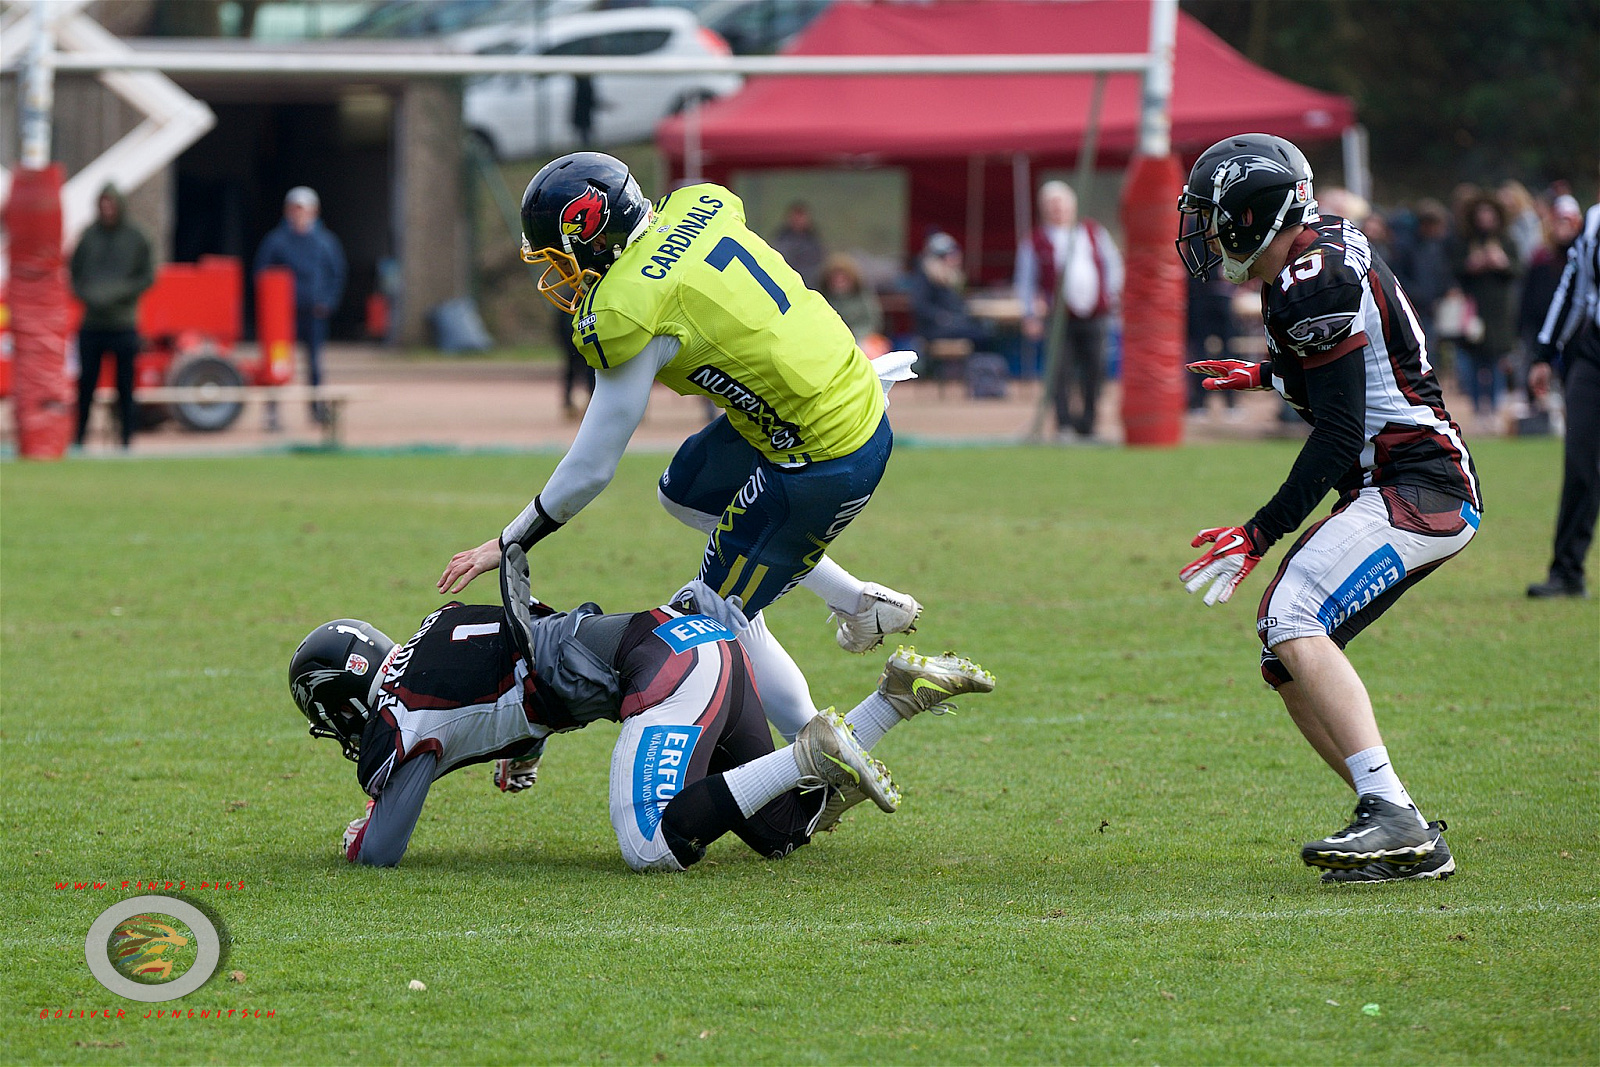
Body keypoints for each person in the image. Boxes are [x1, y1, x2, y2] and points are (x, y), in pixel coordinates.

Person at [438, 152, 923, 746]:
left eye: (559, 256)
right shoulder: (697, 206)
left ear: (589, 235)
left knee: (717, 619)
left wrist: (509, 539)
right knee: (686, 492)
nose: (558, 274)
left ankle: (822, 751)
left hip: (821, 454)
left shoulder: (627, 308)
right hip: (837, 391)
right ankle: (857, 602)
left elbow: (590, 468)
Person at [1175, 133, 1482, 884]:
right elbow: (1353, 378)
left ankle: (1394, 819)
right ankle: (1399, 822)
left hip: (1419, 484)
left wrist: (1258, 531)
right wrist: (1268, 374)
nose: (1209, 233)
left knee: (1291, 616)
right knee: (1284, 656)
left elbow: (1343, 425)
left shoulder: (1313, 278)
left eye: (1217, 217)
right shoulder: (1308, 253)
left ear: (1253, 216)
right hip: (1391, 479)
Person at [290, 549, 994, 870]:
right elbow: (528, 651)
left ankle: (812, 750)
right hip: (701, 643)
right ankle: (895, 698)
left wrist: (358, 833)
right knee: (779, 830)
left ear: (342, 696)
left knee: (653, 844)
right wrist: (522, 754)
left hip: (666, 666)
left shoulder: (395, 717)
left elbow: (384, 848)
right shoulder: (439, 629)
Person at [1526, 197, 1600, 599]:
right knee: (1581, 464)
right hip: (1593, 353)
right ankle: (1567, 572)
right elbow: (1572, 287)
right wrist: (1543, 354)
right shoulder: (1592, 223)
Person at [1014, 180, 1124, 441]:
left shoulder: (1093, 232)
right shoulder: (1036, 240)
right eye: (1052, 206)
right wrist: (1029, 313)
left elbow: (1113, 265)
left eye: (1061, 205)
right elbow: (1025, 280)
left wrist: (1113, 297)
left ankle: (1088, 422)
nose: (1058, 210)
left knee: (1095, 369)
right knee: (1059, 371)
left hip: (1095, 314)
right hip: (1058, 316)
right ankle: (1064, 423)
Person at [70, 183, 154, 450]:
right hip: (92, 323)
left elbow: (148, 275)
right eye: (102, 204)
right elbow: (75, 271)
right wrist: (88, 294)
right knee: (86, 386)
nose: (107, 209)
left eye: (111, 204)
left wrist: (119, 294)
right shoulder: (89, 236)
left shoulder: (136, 237)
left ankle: (126, 441)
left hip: (123, 323)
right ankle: (79, 439)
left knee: (125, 387)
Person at [254, 186, 347, 426]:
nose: (299, 214)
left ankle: (317, 409)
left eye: (303, 209)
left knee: (314, 363)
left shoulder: (325, 242)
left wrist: (327, 302)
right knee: (278, 362)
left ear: (314, 211)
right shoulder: (276, 242)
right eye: (295, 209)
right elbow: (262, 274)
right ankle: (273, 413)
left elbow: (337, 274)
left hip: (313, 314)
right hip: (284, 316)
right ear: (287, 211)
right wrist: (273, 308)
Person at [1451, 192, 1521, 422]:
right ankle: (1477, 409)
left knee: (1496, 360)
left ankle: (1493, 408)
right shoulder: (1463, 242)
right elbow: (1452, 270)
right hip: (1471, 310)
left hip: (1499, 312)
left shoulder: (1507, 240)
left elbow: (1518, 271)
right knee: (1472, 359)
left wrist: (1501, 262)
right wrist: (1471, 266)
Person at [820, 252, 886, 354]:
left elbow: (873, 321)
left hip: (861, 338)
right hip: (832, 341)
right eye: (836, 279)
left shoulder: (863, 296)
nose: (839, 281)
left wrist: (855, 336)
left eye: (843, 278)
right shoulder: (822, 299)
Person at [770, 200, 824, 290]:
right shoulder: (780, 240)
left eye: (801, 216)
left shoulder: (815, 242)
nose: (798, 220)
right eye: (795, 216)